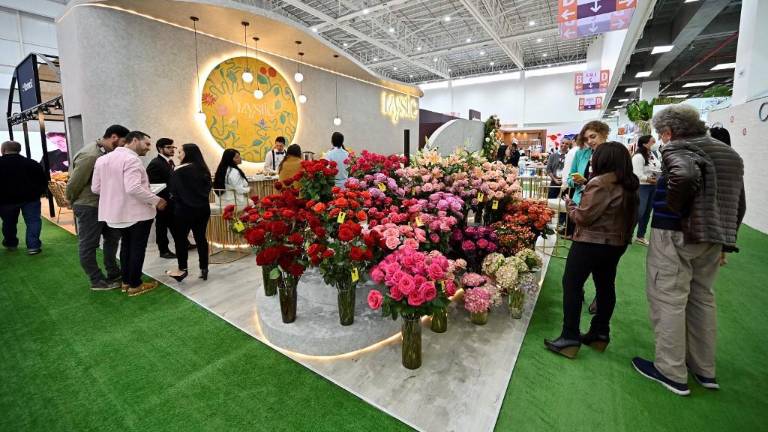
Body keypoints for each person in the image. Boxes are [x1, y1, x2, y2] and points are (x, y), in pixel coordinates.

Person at [632, 105, 745, 396]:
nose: (661, 140)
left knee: (668, 295)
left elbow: (683, 176)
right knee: (702, 299)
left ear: (669, 131)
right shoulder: (729, 154)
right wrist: (726, 240)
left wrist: (673, 208)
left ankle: (670, 370)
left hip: (676, 234)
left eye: (661, 134)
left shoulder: (679, 148)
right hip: (714, 236)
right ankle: (703, 369)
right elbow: (739, 203)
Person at [544, 142, 639, 359]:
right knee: (605, 286)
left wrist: (570, 206)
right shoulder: (630, 184)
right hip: (616, 245)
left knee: (572, 285)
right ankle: (599, 333)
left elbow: (583, 218)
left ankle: (569, 336)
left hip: (590, 243)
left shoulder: (600, 182)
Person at [92, 131, 167, 296]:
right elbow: (133, 188)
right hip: (136, 213)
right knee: (137, 248)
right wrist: (157, 200)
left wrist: (116, 192)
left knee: (126, 245)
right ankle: (135, 284)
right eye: (146, 144)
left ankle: (126, 281)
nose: (148, 148)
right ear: (134, 140)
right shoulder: (132, 159)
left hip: (114, 213)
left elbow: (96, 188)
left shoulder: (102, 160)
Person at [66, 124, 128, 290]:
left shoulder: (105, 153)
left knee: (112, 238)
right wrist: (70, 201)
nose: (123, 147)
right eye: (123, 142)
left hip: (104, 205)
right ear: (114, 137)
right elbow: (74, 183)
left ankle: (114, 272)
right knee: (89, 244)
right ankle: (96, 280)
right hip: (89, 206)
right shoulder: (91, 155)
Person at [166, 144, 212, 282]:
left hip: (183, 211)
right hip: (203, 209)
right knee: (201, 238)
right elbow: (207, 189)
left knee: (180, 240)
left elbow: (173, 191)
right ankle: (204, 268)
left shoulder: (178, 170)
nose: (178, 154)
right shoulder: (204, 169)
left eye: (180, 152)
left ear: (187, 154)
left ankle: (182, 269)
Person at [0, 141, 47, 255]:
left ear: (3, 150)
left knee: (8, 222)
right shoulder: (32, 163)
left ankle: (11, 244)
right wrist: (38, 193)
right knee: (33, 221)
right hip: (31, 199)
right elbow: (43, 181)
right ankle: (33, 246)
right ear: (19, 150)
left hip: (5, 201)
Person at [146, 138, 177, 259]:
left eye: (173, 147)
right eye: (169, 147)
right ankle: (163, 250)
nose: (172, 150)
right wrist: (160, 200)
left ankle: (184, 243)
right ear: (160, 148)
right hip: (162, 201)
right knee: (162, 225)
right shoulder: (155, 163)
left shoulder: (169, 162)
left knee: (175, 224)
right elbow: (151, 184)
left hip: (172, 200)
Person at [632, 135, 657, 246]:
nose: (655, 143)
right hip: (641, 186)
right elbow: (636, 174)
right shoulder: (638, 157)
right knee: (639, 212)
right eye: (652, 141)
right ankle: (627, 233)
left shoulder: (652, 154)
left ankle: (640, 236)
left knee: (647, 212)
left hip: (652, 186)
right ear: (645, 143)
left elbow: (657, 167)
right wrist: (648, 179)